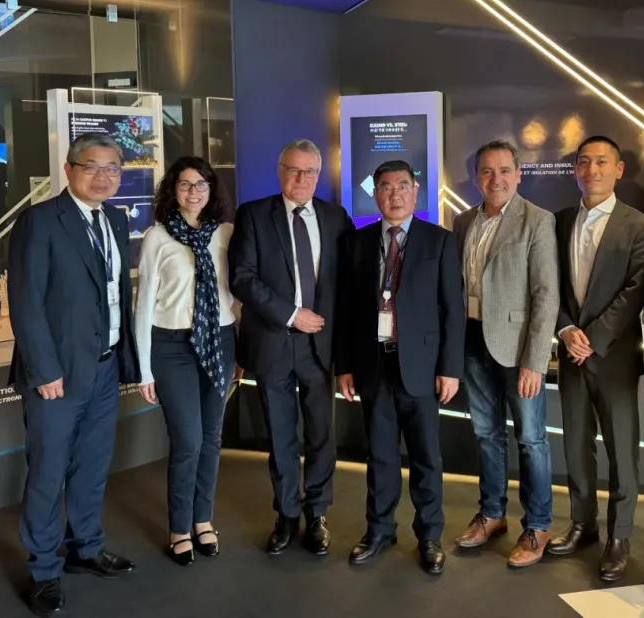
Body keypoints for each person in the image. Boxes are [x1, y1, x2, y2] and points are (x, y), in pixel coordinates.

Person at [8, 132, 139, 617]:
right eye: (92, 166)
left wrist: (124, 360)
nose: (103, 177)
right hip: (57, 375)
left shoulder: (115, 221)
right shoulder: (40, 220)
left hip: (104, 368)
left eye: (112, 168)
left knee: (91, 466)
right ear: (68, 169)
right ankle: (44, 569)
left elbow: (115, 295)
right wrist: (44, 369)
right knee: (48, 473)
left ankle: (86, 547)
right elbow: (25, 301)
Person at [335, 160, 465, 575]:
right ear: (375, 194)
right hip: (373, 364)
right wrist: (345, 365)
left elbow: (453, 310)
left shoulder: (440, 241)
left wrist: (450, 368)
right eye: (386, 187)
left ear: (415, 191)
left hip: (422, 368)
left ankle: (429, 536)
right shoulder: (356, 243)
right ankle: (379, 530)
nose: (395, 195)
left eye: (403, 186)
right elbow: (345, 310)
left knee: (426, 456)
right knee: (380, 455)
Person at [227, 139, 353, 555]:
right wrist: (291, 314)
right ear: (280, 171)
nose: (301, 178)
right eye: (293, 170)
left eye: (309, 171)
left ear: (319, 175)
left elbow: (348, 284)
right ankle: (286, 514)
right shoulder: (253, 214)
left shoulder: (336, 217)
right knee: (280, 435)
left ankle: (317, 513)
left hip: (321, 346)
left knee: (321, 435)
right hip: (273, 341)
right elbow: (242, 277)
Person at [547, 136, 644, 582]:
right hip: (570, 353)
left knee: (621, 451)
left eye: (602, 162)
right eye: (585, 162)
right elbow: (548, 284)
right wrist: (565, 329)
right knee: (575, 446)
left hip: (614, 356)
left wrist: (593, 337)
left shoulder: (639, 226)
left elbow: (636, 290)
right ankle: (583, 523)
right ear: (575, 169)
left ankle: (620, 536)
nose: (592, 170)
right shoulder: (558, 221)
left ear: (618, 170)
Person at [452, 140, 559, 568]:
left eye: (503, 171)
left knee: (531, 439)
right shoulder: (463, 221)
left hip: (518, 350)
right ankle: (492, 514)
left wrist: (536, 361)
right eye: (486, 171)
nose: (495, 179)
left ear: (518, 174)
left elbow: (546, 295)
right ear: (476, 176)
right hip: (472, 341)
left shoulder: (538, 220)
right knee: (486, 434)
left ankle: (538, 525)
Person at [135, 156, 237, 566]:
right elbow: (143, 304)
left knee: (211, 438)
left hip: (220, 341)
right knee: (188, 441)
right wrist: (143, 368)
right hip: (172, 345)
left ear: (212, 190)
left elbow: (237, 293)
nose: (193, 192)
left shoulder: (226, 232)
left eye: (201, 185)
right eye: (185, 184)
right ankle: (179, 528)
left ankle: (202, 520)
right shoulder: (157, 237)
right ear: (172, 190)